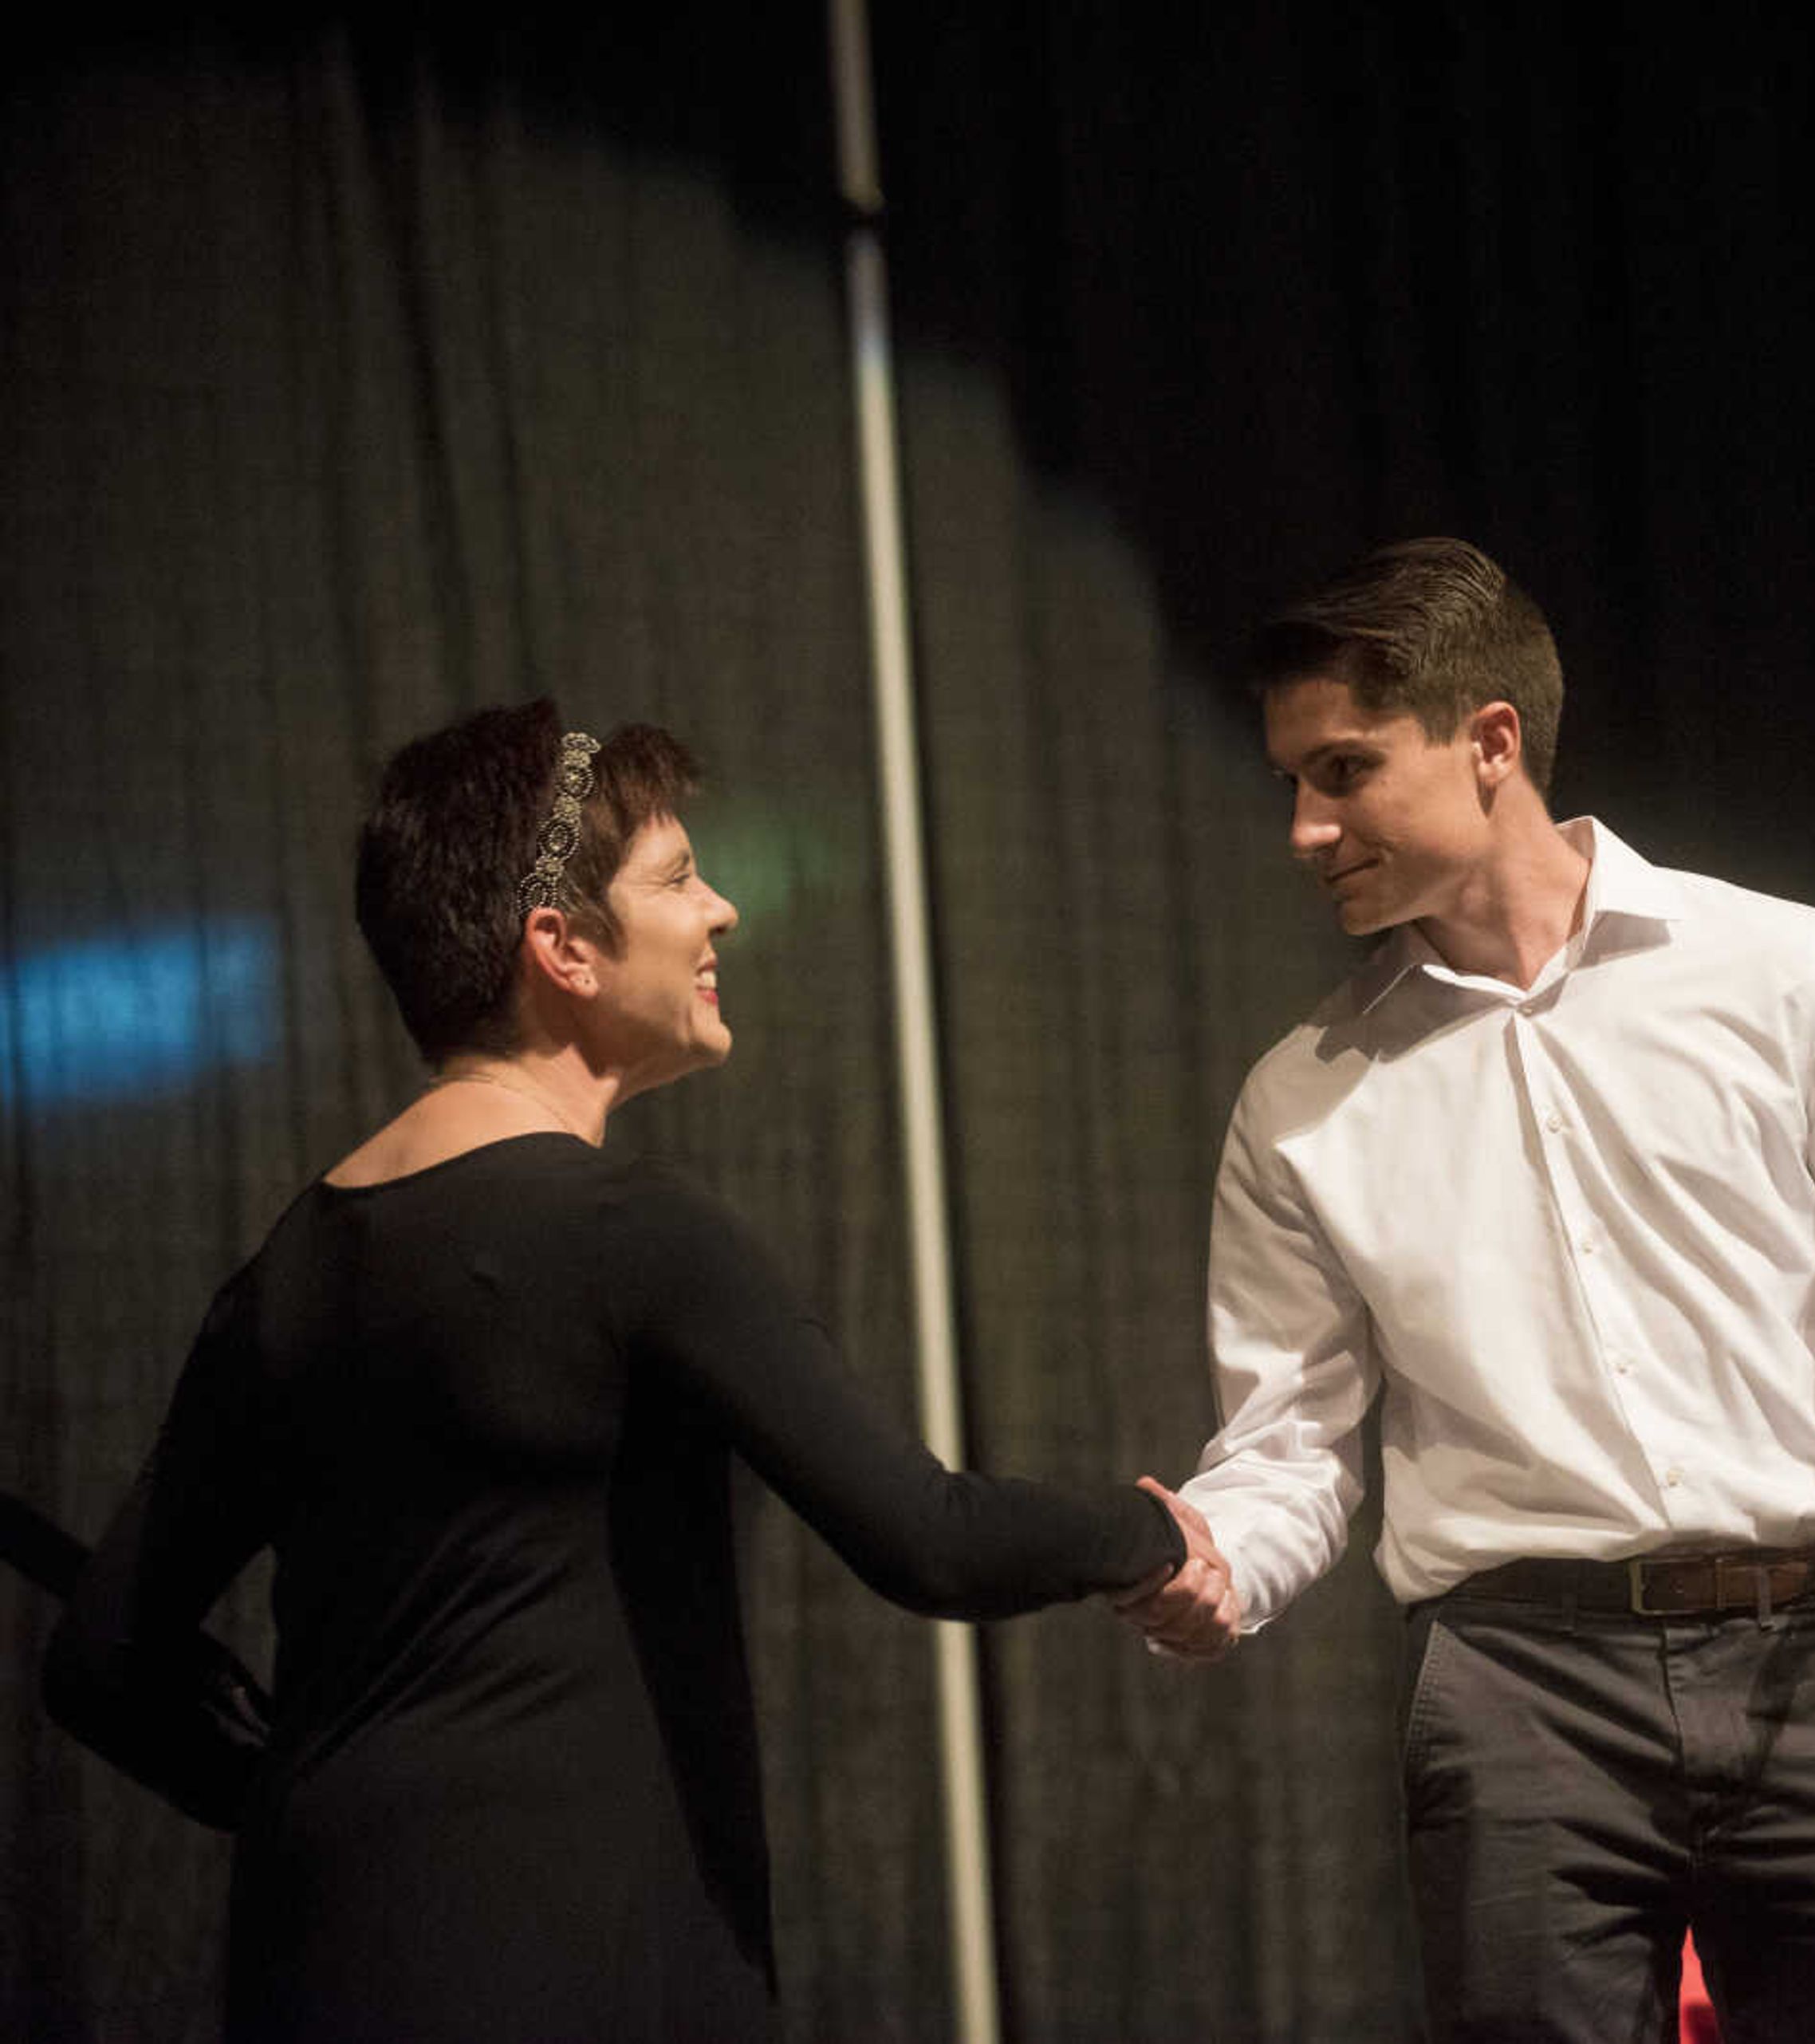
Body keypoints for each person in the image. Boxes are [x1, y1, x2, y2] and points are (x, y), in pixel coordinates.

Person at [45, 701, 1230, 2043]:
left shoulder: (288, 1271)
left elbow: (97, 1660)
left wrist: (293, 1792)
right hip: (573, 1954)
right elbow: (926, 1538)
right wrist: (1146, 1530)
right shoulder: (630, 1236)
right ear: (560, 948)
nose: (719, 911)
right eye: (675, 879)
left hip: (313, 1958)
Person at [1119, 539, 1815, 2042]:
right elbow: (1285, 1449)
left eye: (1343, 771)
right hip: (1519, 1692)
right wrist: (1214, 1560)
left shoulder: (1783, 970)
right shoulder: (1300, 1102)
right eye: (1292, 780)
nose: (1304, 826)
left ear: (1492, 742)